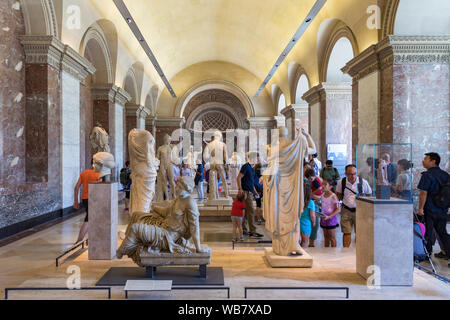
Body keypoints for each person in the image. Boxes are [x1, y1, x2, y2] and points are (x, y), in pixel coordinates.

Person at [417, 152, 450, 261]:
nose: (423, 161)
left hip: (430, 209)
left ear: (433, 161)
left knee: (428, 232)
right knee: (442, 232)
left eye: (426, 159)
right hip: (443, 209)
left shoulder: (427, 175)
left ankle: (427, 253)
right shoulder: (446, 175)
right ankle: (448, 252)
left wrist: (420, 208)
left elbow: (423, 193)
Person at [336, 164, 372, 247]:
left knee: (359, 233)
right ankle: (345, 250)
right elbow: (338, 195)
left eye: (354, 173)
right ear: (346, 174)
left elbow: (369, 195)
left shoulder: (363, 182)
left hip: (359, 211)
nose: (353, 176)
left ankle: (359, 252)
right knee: (346, 232)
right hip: (346, 210)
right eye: (350, 174)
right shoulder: (342, 182)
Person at [73, 160, 100, 244]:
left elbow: (76, 188)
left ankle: (89, 239)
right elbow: (100, 189)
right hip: (94, 199)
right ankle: (79, 240)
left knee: (92, 219)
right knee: (88, 219)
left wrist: (76, 201)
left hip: (85, 199)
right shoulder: (99, 175)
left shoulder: (84, 173)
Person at [237, 152, 263, 238]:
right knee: (251, 211)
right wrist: (240, 189)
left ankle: (244, 230)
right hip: (245, 192)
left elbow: (251, 182)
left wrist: (255, 191)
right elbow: (239, 177)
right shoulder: (246, 166)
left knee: (247, 211)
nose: (258, 159)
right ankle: (253, 231)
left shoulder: (252, 168)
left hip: (250, 192)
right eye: (257, 158)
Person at [320, 179, 340, 247]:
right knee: (326, 237)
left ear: (330, 186)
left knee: (332, 238)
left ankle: (333, 253)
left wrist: (330, 216)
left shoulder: (333, 196)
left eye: (325, 184)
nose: (323, 186)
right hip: (323, 218)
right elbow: (324, 205)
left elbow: (338, 209)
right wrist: (317, 204)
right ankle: (326, 253)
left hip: (331, 219)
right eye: (322, 184)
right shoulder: (322, 195)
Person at [300, 182, 317, 247]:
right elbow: (312, 216)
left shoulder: (298, 201)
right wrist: (314, 222)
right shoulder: (310, 202)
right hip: (306, 224)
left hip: (298, 223)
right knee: (304, 243)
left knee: (299, 243)